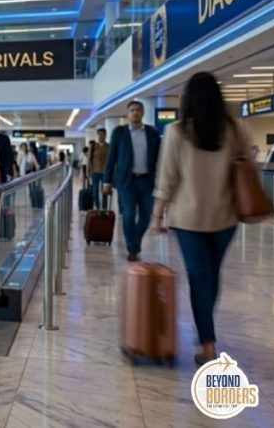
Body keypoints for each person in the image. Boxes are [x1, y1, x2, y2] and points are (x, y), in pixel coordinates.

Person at [149, 72, 249, 365]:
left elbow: (167, 178)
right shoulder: (233, 128)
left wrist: (157, 216)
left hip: (188, 220)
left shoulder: (178, 131)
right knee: (210, 276)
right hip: (224, 217)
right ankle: (206, 333)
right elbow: (247, 165)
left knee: (199, 277)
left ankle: (207, 343)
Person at [103, 100, 161, 262]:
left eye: (138, 110)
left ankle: (135, 241)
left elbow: (159, 156)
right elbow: (111, 157)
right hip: (126, 182)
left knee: (145, 215)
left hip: (146, 181)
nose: (135, 113)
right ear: (128, 114)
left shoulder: (151, 132)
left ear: (142, 113)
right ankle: (132, 248)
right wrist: (106, 181)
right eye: (132, 110)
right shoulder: (119, 133)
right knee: (128, 214)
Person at [89, 129, 109, 209]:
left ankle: (104, 208)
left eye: (102, 134)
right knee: (95, 191)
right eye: (99, 134)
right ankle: (97, 207)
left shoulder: (108, 146)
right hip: (95, 172)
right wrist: (88, 171)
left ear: (105, 135)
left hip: (105, 172)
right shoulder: (93, 146)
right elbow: (89, 159)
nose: (101, 136)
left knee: (105, 191)